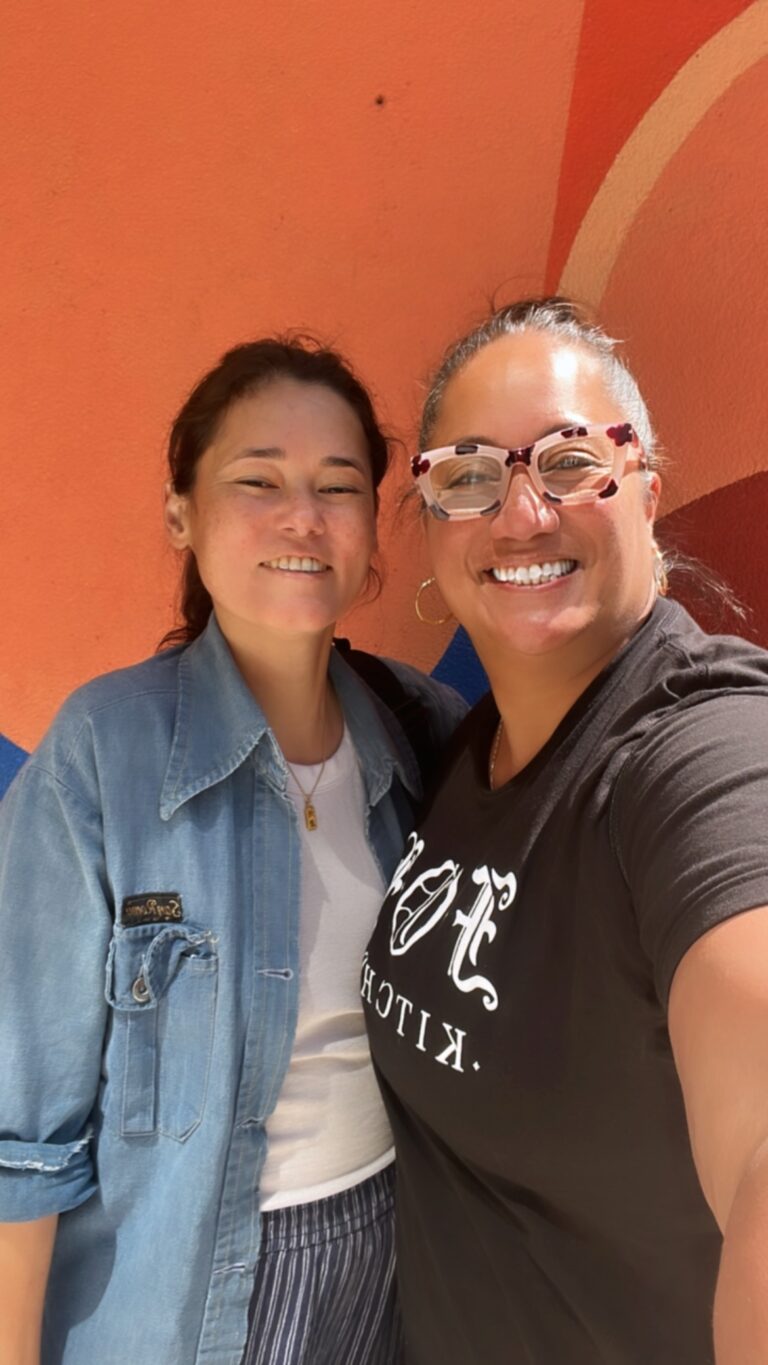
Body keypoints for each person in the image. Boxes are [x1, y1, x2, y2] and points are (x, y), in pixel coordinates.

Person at [0, 337, 466, 1365]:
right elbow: (21, 1144)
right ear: (182, 512)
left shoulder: (422, 735)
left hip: (392, 1263)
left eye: (337, 487)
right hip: (181, 1305)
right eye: (258, 480)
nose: (302, 517)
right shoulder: (102, 756)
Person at [363, 297, 768, 1364]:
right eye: (468, 476)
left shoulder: (699, 754)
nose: (522, 513)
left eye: (570, 460)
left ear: (647, 486)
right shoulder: (453, 751)